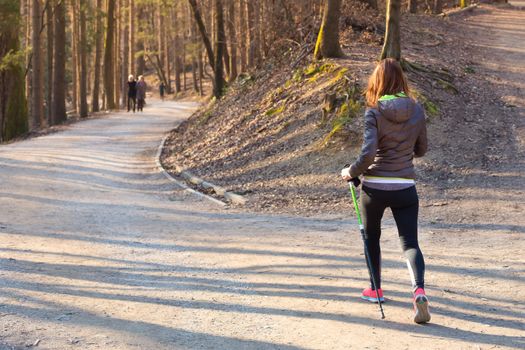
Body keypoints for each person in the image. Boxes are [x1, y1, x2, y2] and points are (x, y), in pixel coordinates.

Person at [340, 58, 430, 324]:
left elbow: (368, 154)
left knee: (372, 238)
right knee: (410, 243)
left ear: (377, 82)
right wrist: (404, 150)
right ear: (401, 80)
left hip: (375, 188)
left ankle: (375, 290)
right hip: (405, 187)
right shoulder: (416, 110)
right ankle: (419, 292)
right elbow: (422, 149)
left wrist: (350, 172)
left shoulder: (374, 112)